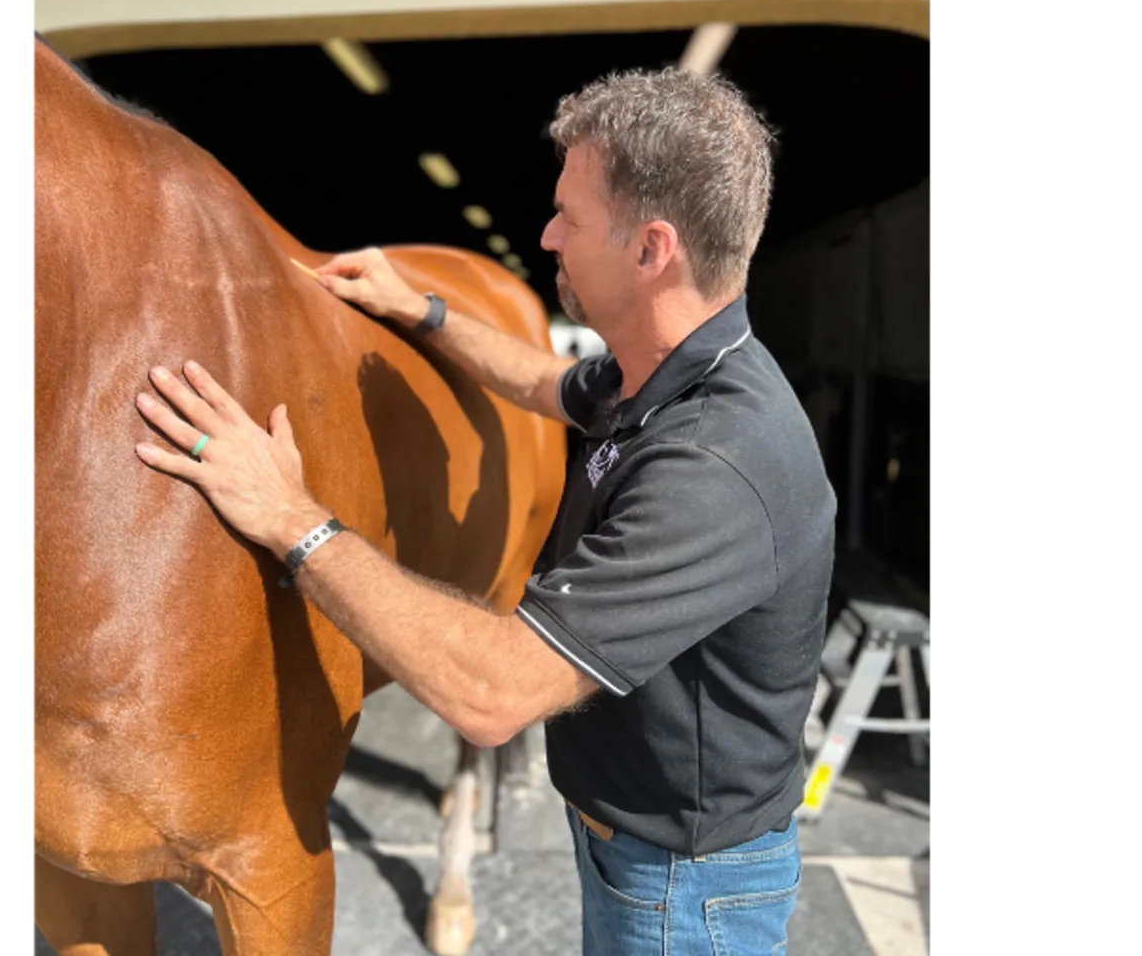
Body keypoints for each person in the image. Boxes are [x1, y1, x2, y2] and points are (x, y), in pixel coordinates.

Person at [132, 68, 837, 955]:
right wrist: (423, 310)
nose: (544, 235)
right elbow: (541, 380)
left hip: (685, 895)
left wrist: (290, 518)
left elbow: (494, 694)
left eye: (568, 218)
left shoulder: (716, 464)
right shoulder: (659, 370)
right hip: (638, 854)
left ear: (652, 250)